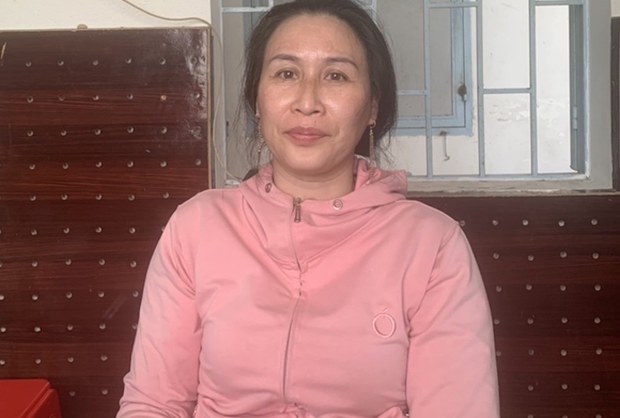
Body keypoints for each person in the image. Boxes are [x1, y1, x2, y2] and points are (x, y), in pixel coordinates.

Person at [117, 0, 500, 417]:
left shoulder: (432, 246)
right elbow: (153, 403)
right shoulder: (197, 228)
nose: (307, 101)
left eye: (336, 76)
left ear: (372, 106)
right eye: (286, 73)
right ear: (257, 99)